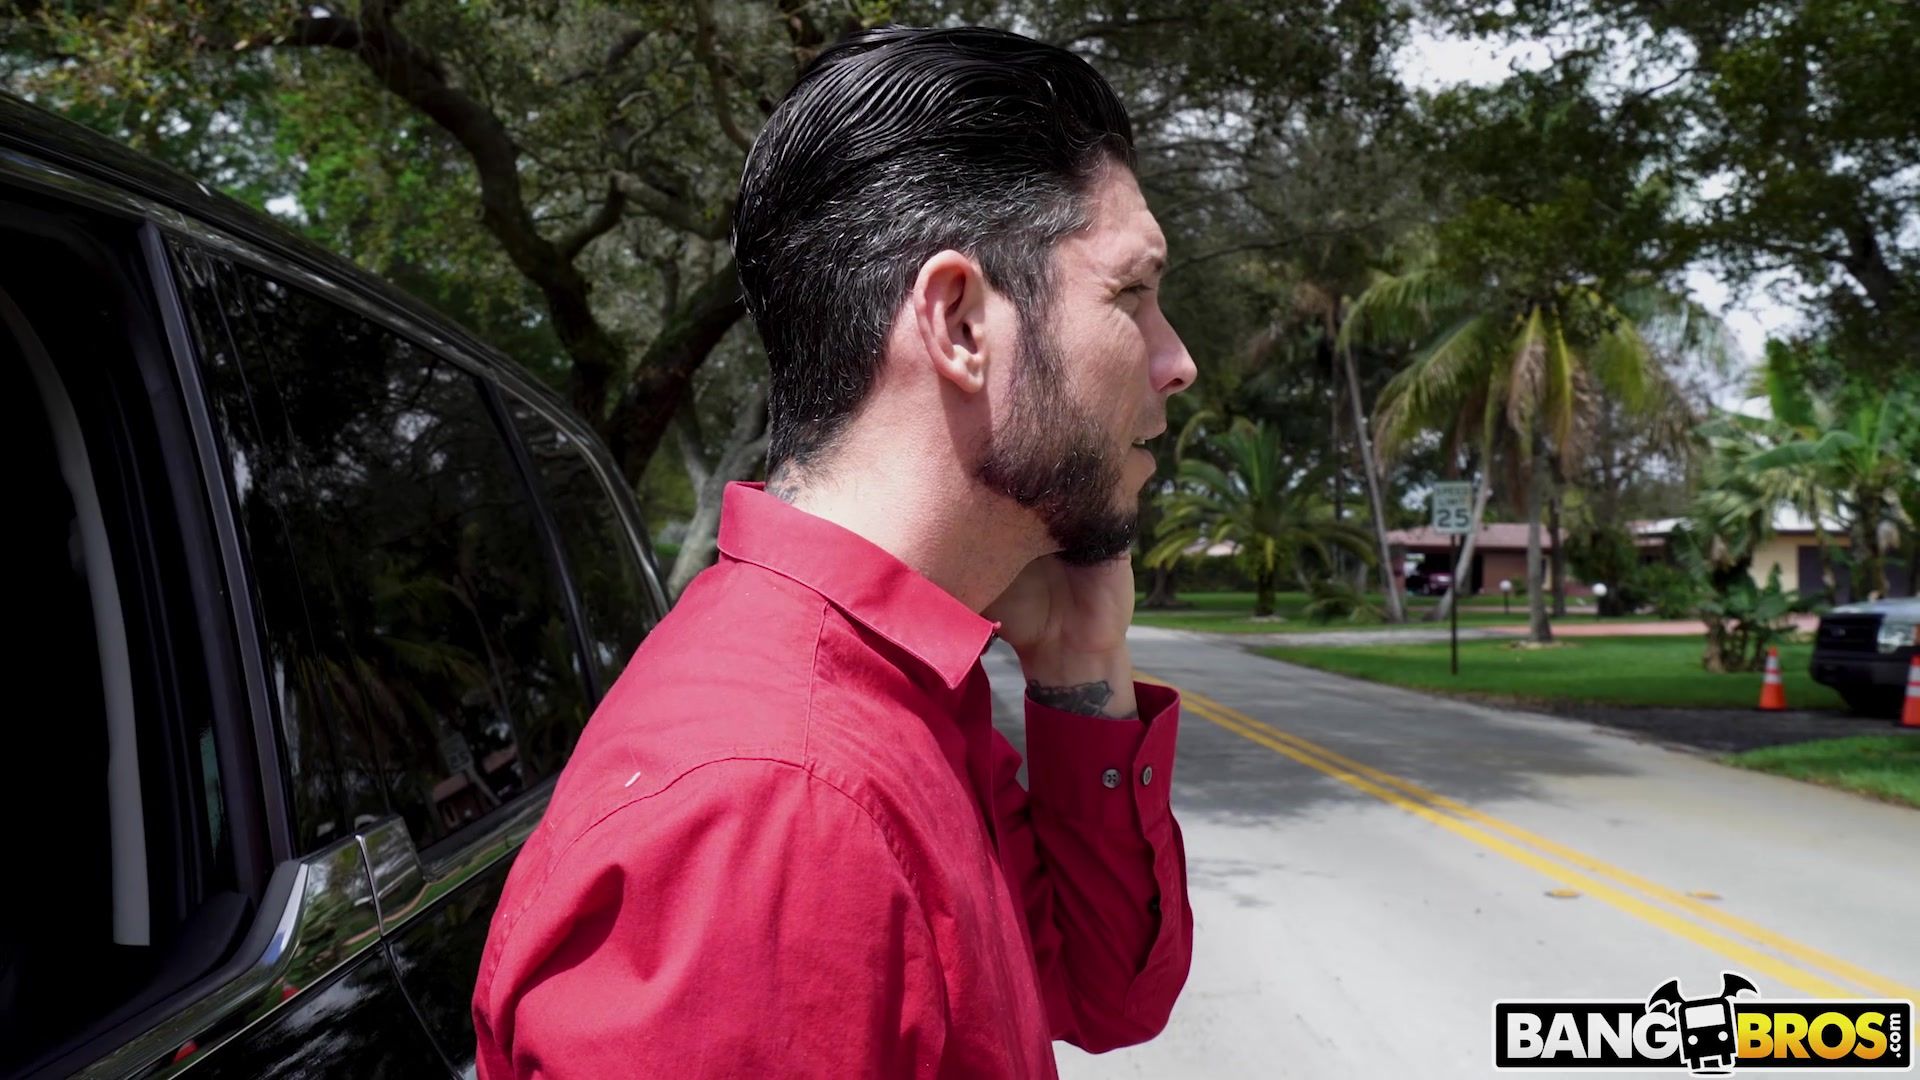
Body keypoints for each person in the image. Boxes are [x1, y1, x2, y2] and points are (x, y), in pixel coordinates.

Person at [473, 24, 1198, 1078]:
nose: (1177, 362)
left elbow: (1104, 992)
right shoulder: (780, 807)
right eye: (1132, 294)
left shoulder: (894, 686)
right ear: (959, 323)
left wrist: (1081, 666)